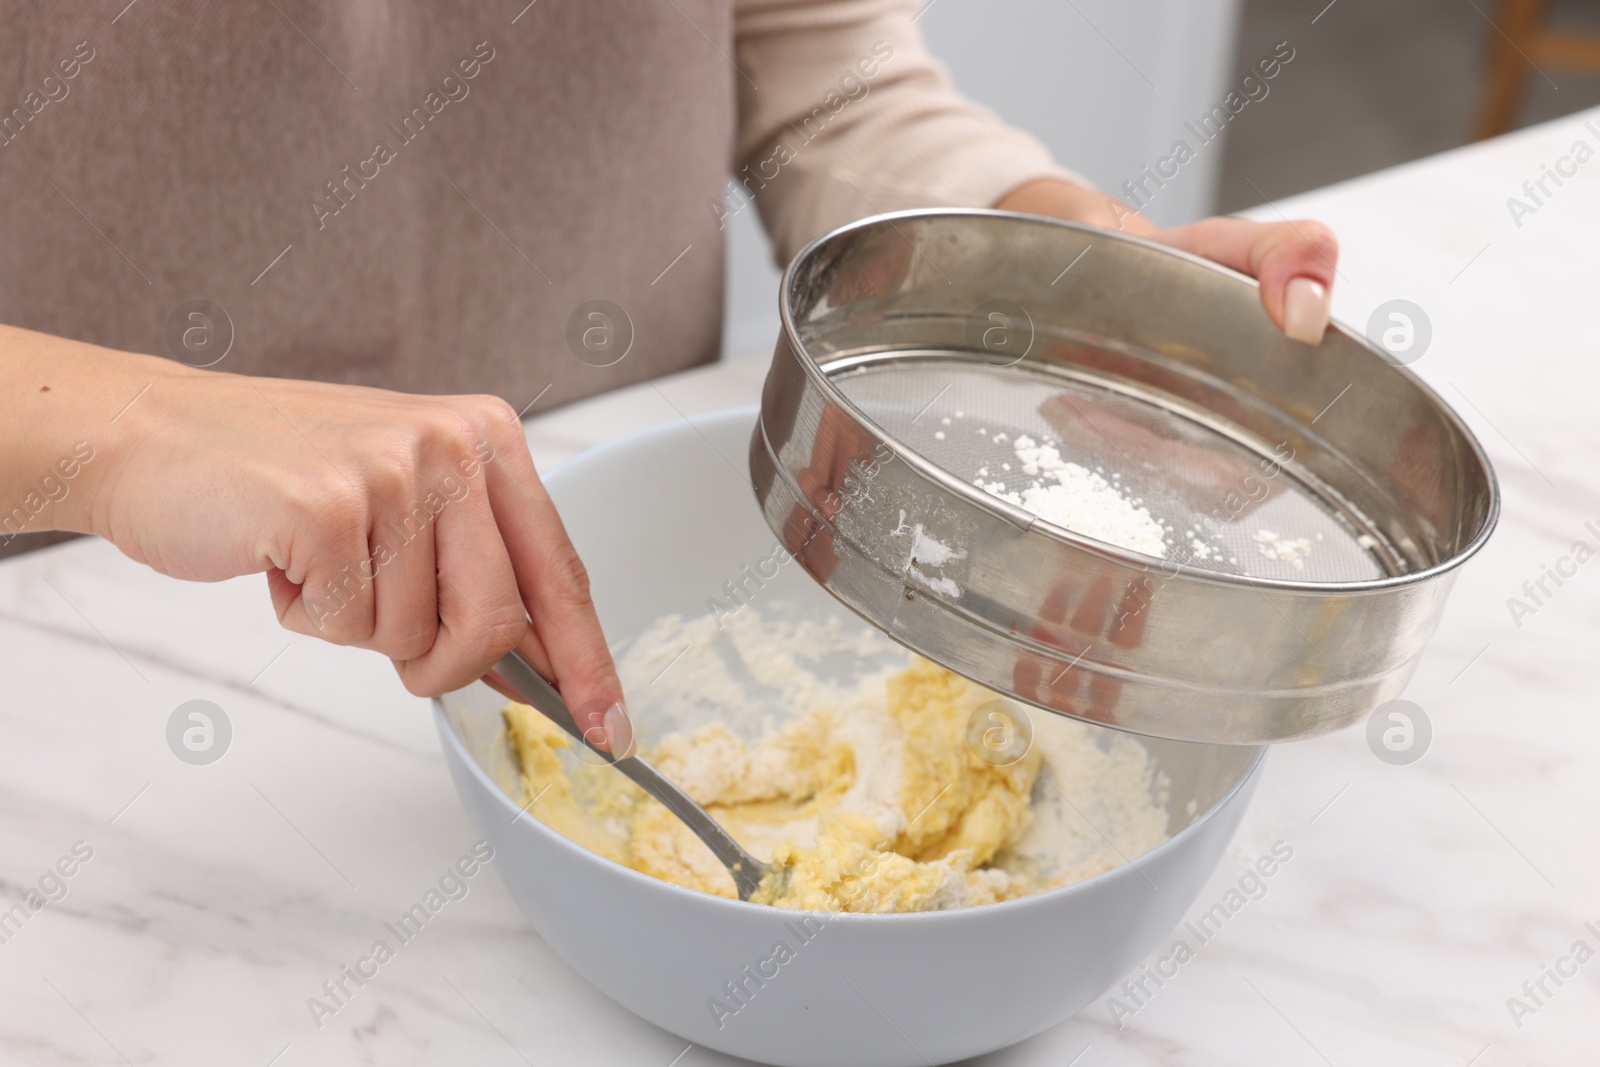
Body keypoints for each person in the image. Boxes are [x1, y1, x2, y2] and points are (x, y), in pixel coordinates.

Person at [0, 2, 1337, 758]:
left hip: (613, 570)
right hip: (72, 664)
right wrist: (127, 427)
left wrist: (1029, 256)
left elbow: (810, 57)